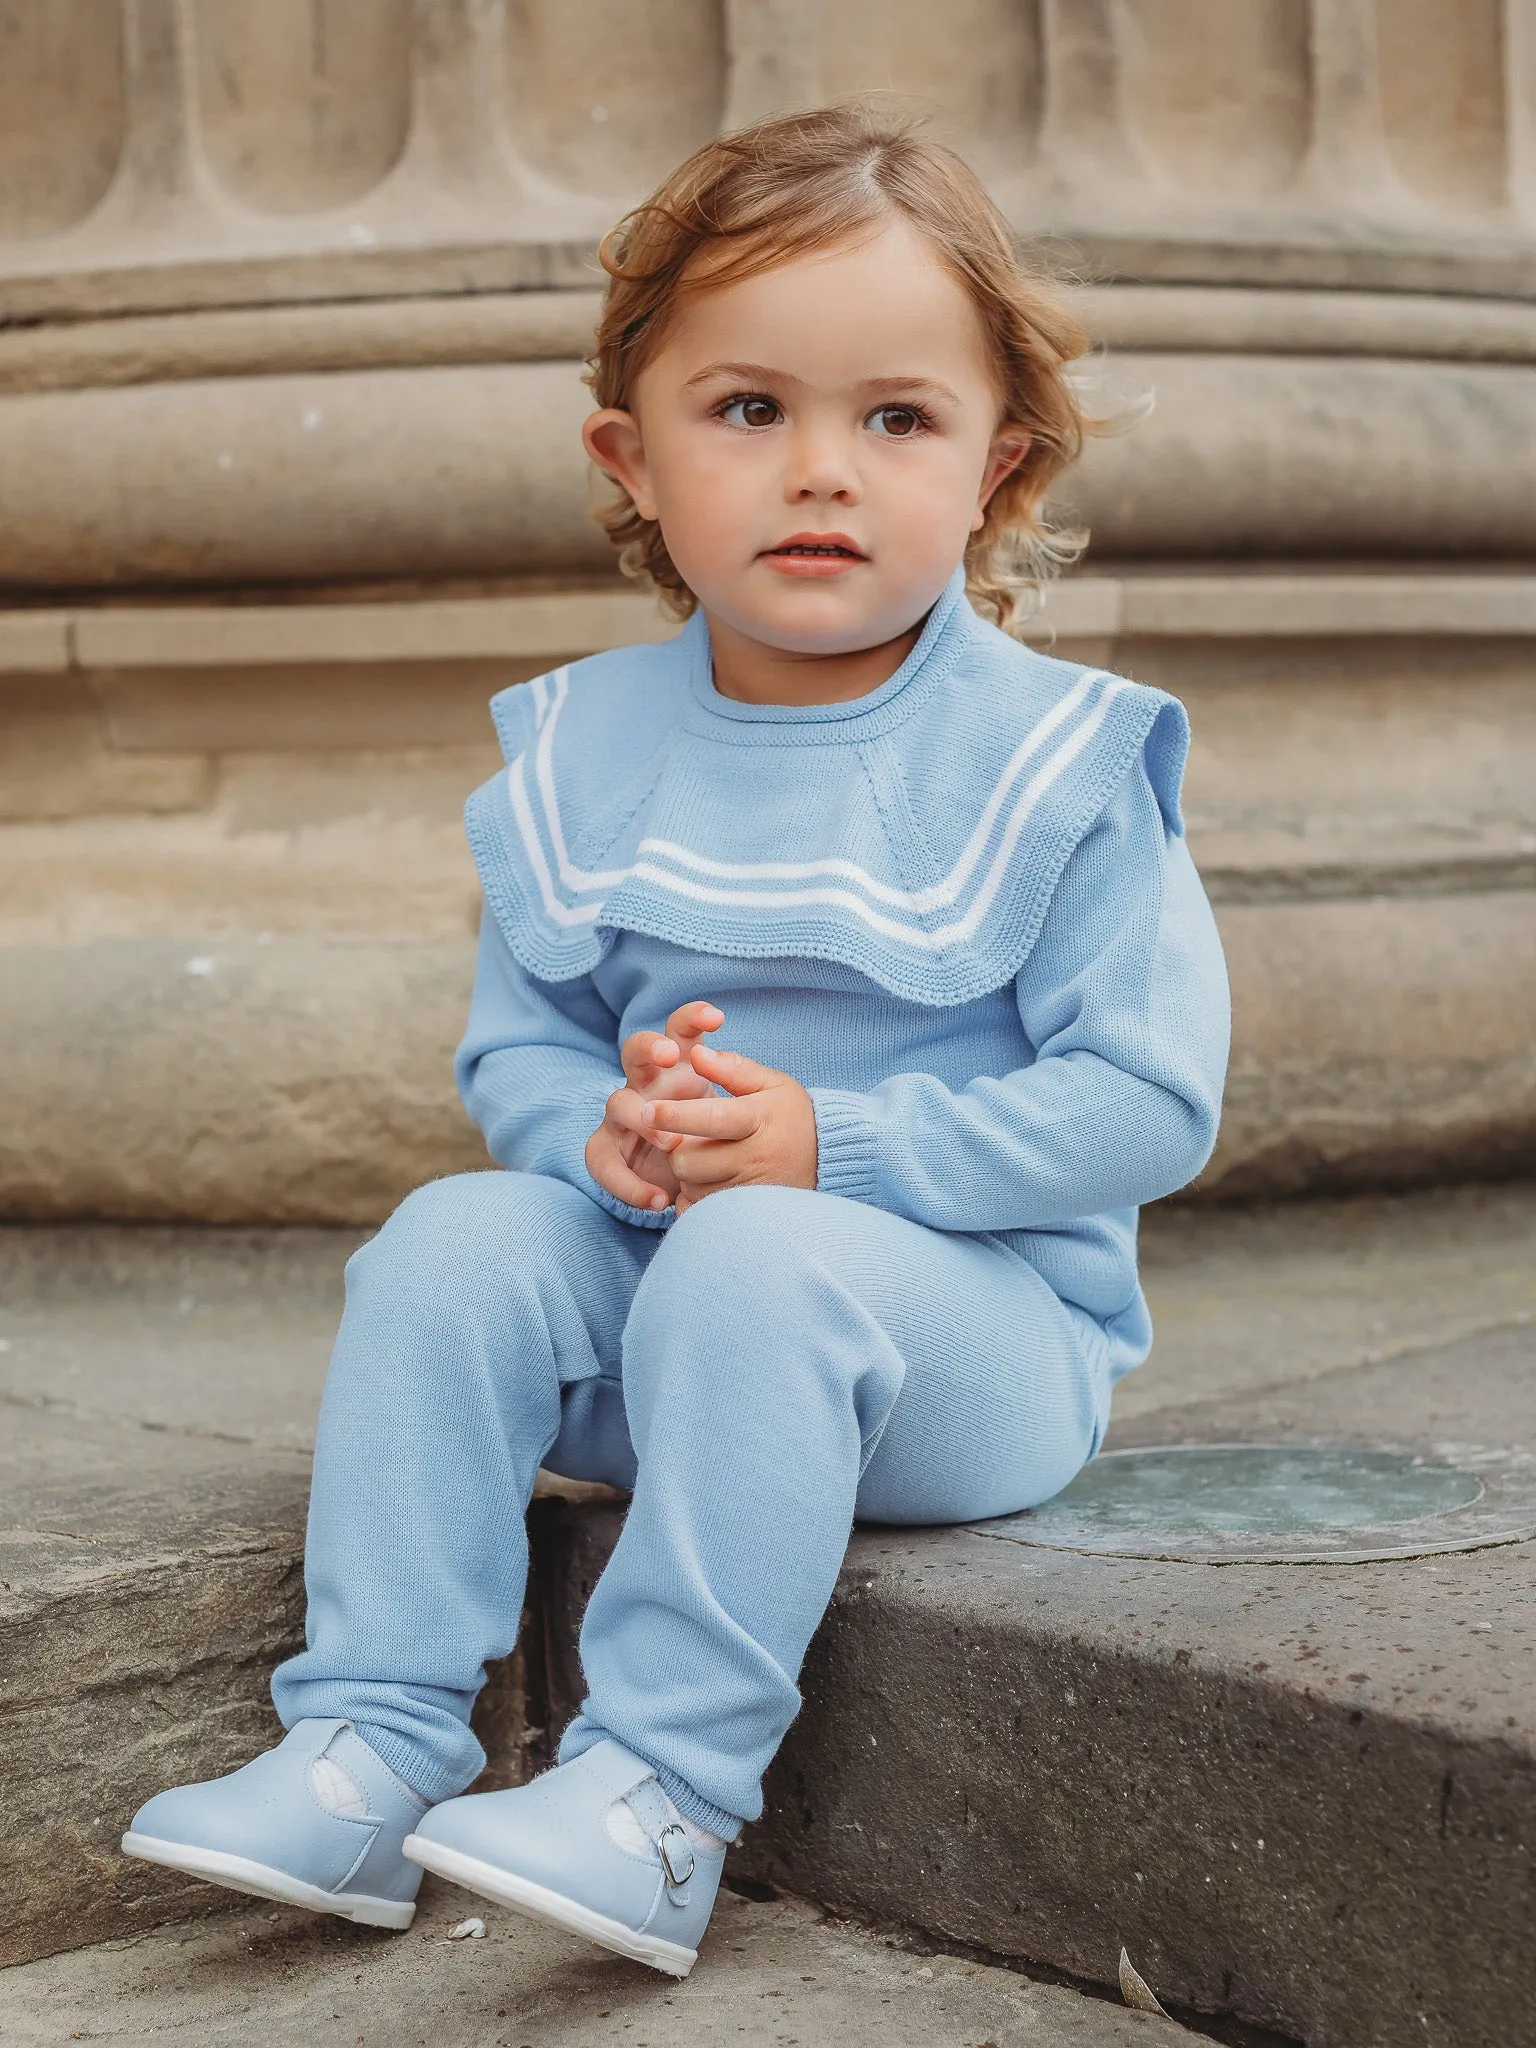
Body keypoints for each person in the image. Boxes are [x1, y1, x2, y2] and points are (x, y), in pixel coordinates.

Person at [122, 102, 1230, 1980]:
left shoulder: (1055, 763)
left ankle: (654, 1796)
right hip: (672, 1318)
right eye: (747, 412)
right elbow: (524, 1051)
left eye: (896, 418)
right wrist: (594, 1143)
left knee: (764, 1250)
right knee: (449, 1240)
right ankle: (373, 1743)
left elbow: (1147, 1105)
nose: (822, 472)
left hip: (968, 1352)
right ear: (629, 461)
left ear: (996, 466)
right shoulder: (588, 751)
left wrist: (834, 1148)